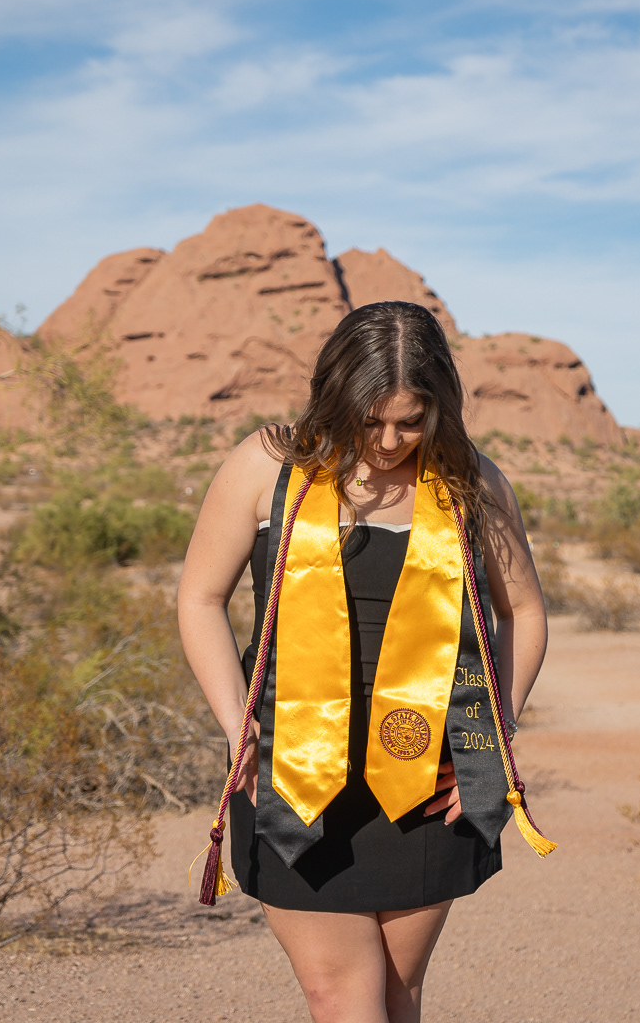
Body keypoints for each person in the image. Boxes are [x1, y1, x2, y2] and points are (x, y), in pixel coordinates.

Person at [178, 301, 549, 1023]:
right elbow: (199, 598)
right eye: (369, 418)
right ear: (335, 393)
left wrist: (491, 745)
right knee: (340, 997)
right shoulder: (269, 464)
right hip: (291, 767)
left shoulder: (470, 480)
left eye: (411, 422)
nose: (387, 441)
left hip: (426, 772)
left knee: (395, 996)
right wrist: (236, 729)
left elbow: (524, 613)